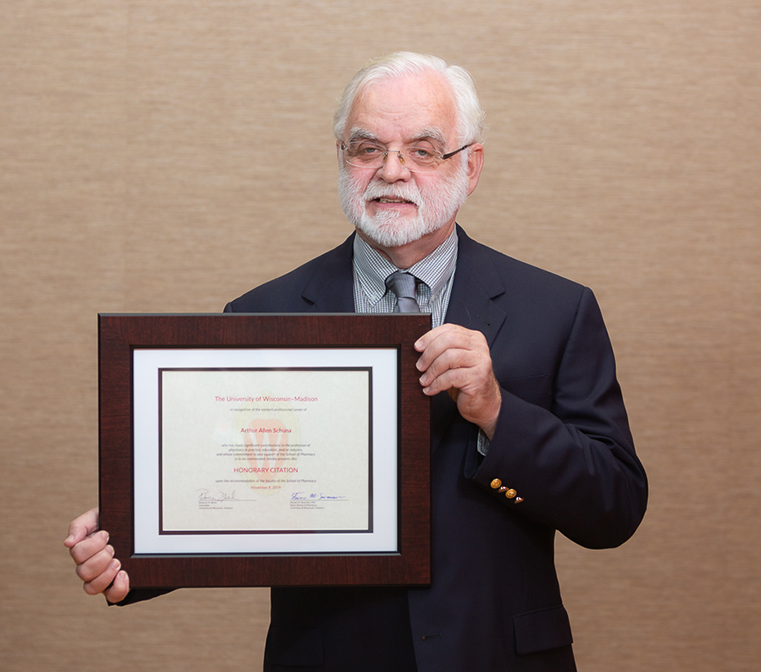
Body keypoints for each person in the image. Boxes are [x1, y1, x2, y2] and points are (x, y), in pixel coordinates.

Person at [66, 52, 647, 671]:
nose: (391, 172)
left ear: (470, 167)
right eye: (367, 148)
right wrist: (129, 542)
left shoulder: (556, 310)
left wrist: (498, 414)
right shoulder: (265, 313)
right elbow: (225, 492)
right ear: (341, 158)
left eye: (423, 151)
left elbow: (613, 507)